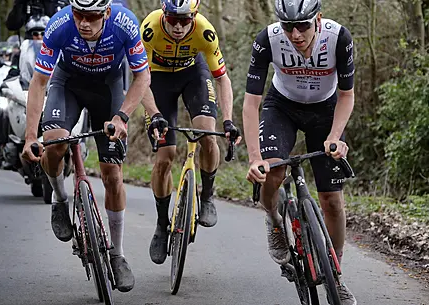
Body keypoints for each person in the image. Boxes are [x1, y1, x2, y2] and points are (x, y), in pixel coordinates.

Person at [19, 0, 150, 293]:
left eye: (91, 17)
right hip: (68, 85)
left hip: (108, 86)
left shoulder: (125, 23)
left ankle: (117, 254)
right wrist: (31, 137)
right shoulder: (59, 24)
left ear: (106, 13)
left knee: (113, 175)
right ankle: (60, 198)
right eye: (79, 15)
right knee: (54, 144)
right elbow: (40, 82)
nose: (84, 23)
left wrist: (122, 116)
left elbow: (143, 76)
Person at [242, 0, 357, 304]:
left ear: (317, 19)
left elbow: (347, 95)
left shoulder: (339, 38)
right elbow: (251, 102)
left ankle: (336, 275)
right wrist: (255, 157)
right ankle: (273, 219)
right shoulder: (267, 39)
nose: (295, 34)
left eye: (303, 26)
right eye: (287, 26)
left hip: (327, 109)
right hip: (282, 108)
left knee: (332, 200)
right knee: (273, 172)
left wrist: (335, 137)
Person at [138, 0, 241, 265]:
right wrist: (155, 114)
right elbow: (139, 78)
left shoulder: (204, 31)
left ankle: (206, 196)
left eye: (186, 20)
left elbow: (222, 78)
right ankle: (162, 225)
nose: (179, 26)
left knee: (207, 133)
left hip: (193, 74)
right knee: (165, 155)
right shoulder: (149, 28)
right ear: (164, 14)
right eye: (173, 19)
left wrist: (228, 120)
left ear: (194, 16)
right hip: (156, 79)